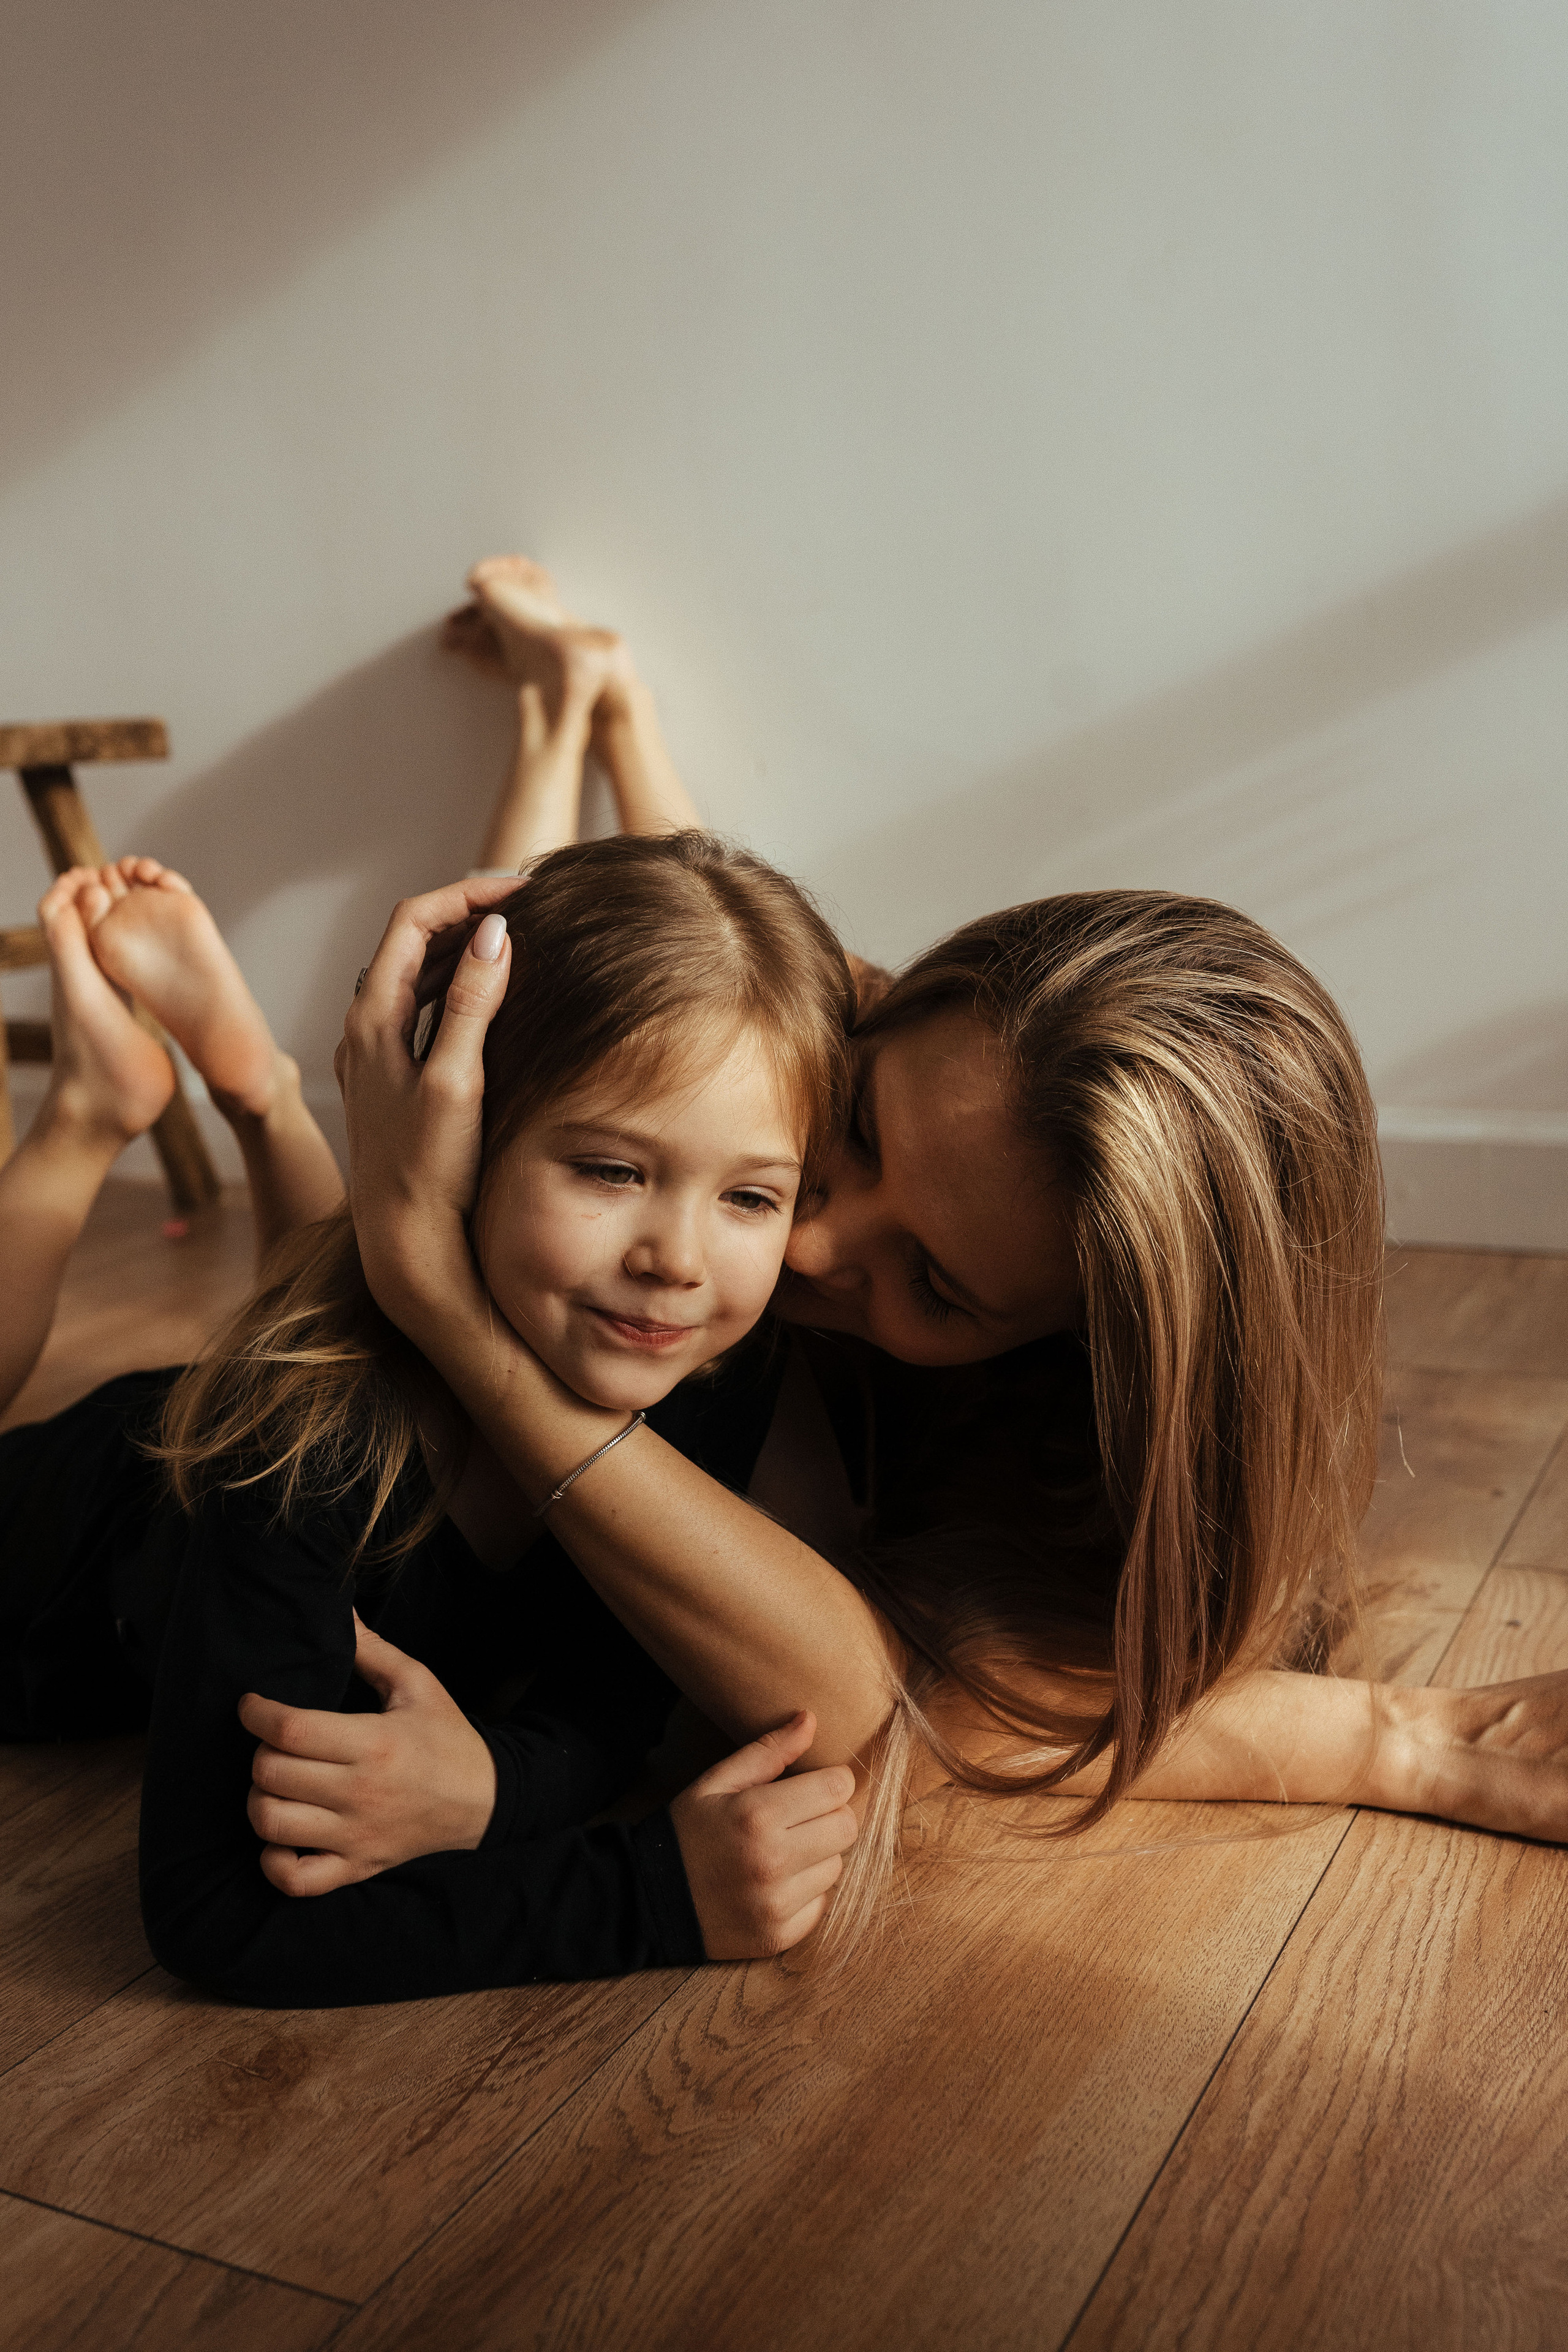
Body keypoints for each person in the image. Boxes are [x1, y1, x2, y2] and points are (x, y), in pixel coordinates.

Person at [265, 554, 1568, 1943]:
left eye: (935, 1286)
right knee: (677, 992)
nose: (814, 1241)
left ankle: (595, 705)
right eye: (865, 1135)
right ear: (897, 1010)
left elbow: (920, 1704)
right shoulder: (851, 1049)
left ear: (1058, 1350)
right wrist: (399, 1225)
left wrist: (1403, 1744)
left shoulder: (1049, 1434)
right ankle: (594, 709)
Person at [0, 826, 865, 2004]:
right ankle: (92, 1115)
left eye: (750, 1195)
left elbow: (611, 1700)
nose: (679, 1260)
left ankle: (250, 1088)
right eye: (611, 1171)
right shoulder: (305, 1441)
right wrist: (650, 1892)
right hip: (55, 1547)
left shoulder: (708, 1365)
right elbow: (214, 1912)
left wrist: (500, 1790)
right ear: (453, 1143)